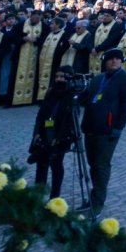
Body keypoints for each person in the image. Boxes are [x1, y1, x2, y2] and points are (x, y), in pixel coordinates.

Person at [80, 48, 126, 212]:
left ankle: (97, 202)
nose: (114, 61)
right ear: (105, 61)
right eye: (111, 59)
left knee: (101, 165)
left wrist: (119, 127)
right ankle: (94, 196)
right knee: (92, 164)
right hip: (91, 127)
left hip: (108, 129)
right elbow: (87, 98)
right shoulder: (97, 79)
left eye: (118, 59)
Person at [30, 71, 78, 199]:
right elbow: (41, 115)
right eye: (57, 76)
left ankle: (55, 196)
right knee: (41, 164)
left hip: (60, 136)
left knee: (56, 165)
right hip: (45, 132)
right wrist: (37, 133)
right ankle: (38, 197)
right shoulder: (50, 93)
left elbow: (70, 121)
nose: (59, 79)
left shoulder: (70, 96)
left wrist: (58, 138)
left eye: (62, 76)